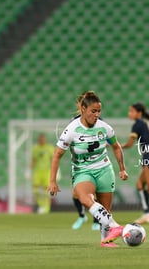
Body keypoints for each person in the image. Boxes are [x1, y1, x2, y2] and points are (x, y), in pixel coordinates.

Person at [48, 91, 128, 247]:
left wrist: (122, 169)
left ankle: (106, 241)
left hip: (104, 169)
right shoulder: (71, 130)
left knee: (105, 210)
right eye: (93, 111)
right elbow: (57, 155)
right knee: (85, 198)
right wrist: (52, 181)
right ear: (83, 109)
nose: (96, 114)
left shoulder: (105, 128)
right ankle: (116, 226)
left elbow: (116, 147)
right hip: (82, 171)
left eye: (98, 111)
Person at [71, 92, 100, 231]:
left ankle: (96, 220)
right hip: (78, 162)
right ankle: (82, 216)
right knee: (75, 193)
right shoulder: (74, 121)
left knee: (93, 194)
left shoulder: (97, 120)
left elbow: (104, 137)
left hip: (94, 161)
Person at [31, 133, 54, 214]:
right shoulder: (35, 148)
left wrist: (57, 171)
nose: (42, 140)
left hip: (47, 172)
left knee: (45, 191)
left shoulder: (50, 148)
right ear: (38, 140)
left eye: (43, 139)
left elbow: (53, 160)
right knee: (35, 190)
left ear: (45, 139)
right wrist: (29, 170)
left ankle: (46, 208)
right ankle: (41, 205)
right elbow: (33, 160)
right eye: (40, 139)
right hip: (37, 172)